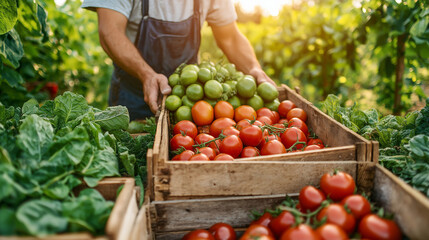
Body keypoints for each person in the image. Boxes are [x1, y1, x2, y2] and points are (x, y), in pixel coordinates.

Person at [82, 0, 275, 120]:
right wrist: (146, 75)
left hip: (190, 101)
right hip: (132, 93)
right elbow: (110, 31)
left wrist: (253, 68)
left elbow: (230, 37)